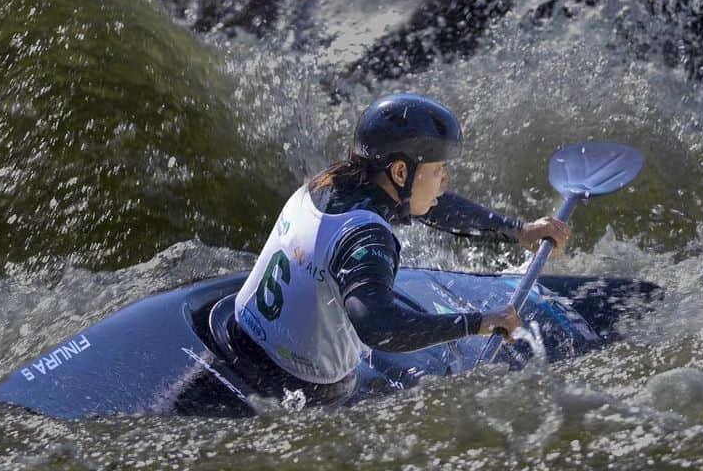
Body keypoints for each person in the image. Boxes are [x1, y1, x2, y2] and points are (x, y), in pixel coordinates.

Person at [226, 93, 571, 404]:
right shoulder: (366, 237)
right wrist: (477, 322)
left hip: (239, 337)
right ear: (401, 171)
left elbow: (432, 205)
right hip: (297, 389)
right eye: (439, 169)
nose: (445, 179)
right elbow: (379, 328)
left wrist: (518, 231)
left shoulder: (330, 183)